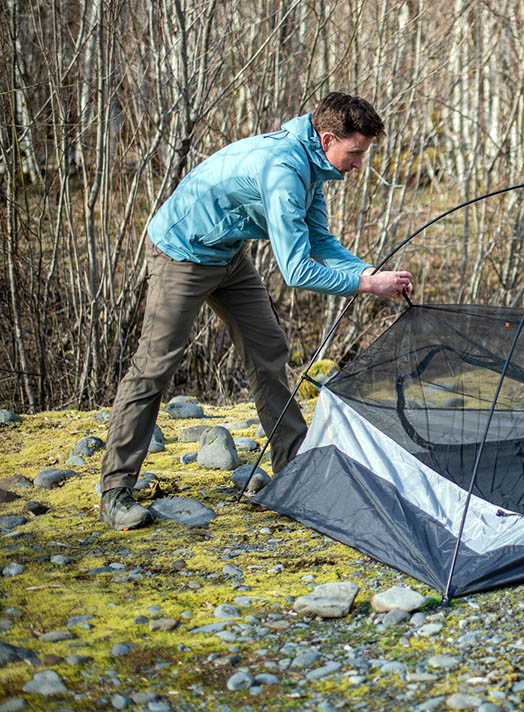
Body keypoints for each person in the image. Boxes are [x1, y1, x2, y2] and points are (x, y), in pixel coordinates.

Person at [99, 93, 415, 531]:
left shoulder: (312, 165)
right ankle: (115, 490)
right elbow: (297, 269)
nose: (359, 163)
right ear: (327, 139)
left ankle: (295, 469)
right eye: (356, 152)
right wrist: (366, 285)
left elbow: (319, 239)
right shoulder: (283, 170)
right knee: (154, 366)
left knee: (268, 350)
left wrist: (370, 271)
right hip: (182, 252)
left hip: (226, 254)